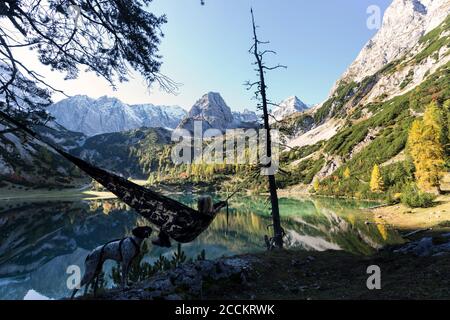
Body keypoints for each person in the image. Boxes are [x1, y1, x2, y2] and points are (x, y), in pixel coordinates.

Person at [152, 196, 227, 247]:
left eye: (198, 204)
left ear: (200, 205)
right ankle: (164, 240)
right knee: (172, 219)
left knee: (167, 219)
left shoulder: (196, 216)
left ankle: (163, 239)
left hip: (183, 235)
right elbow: (216, 207)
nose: (197, 205)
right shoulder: (211, 213)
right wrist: (222, 204)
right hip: (190, 235)